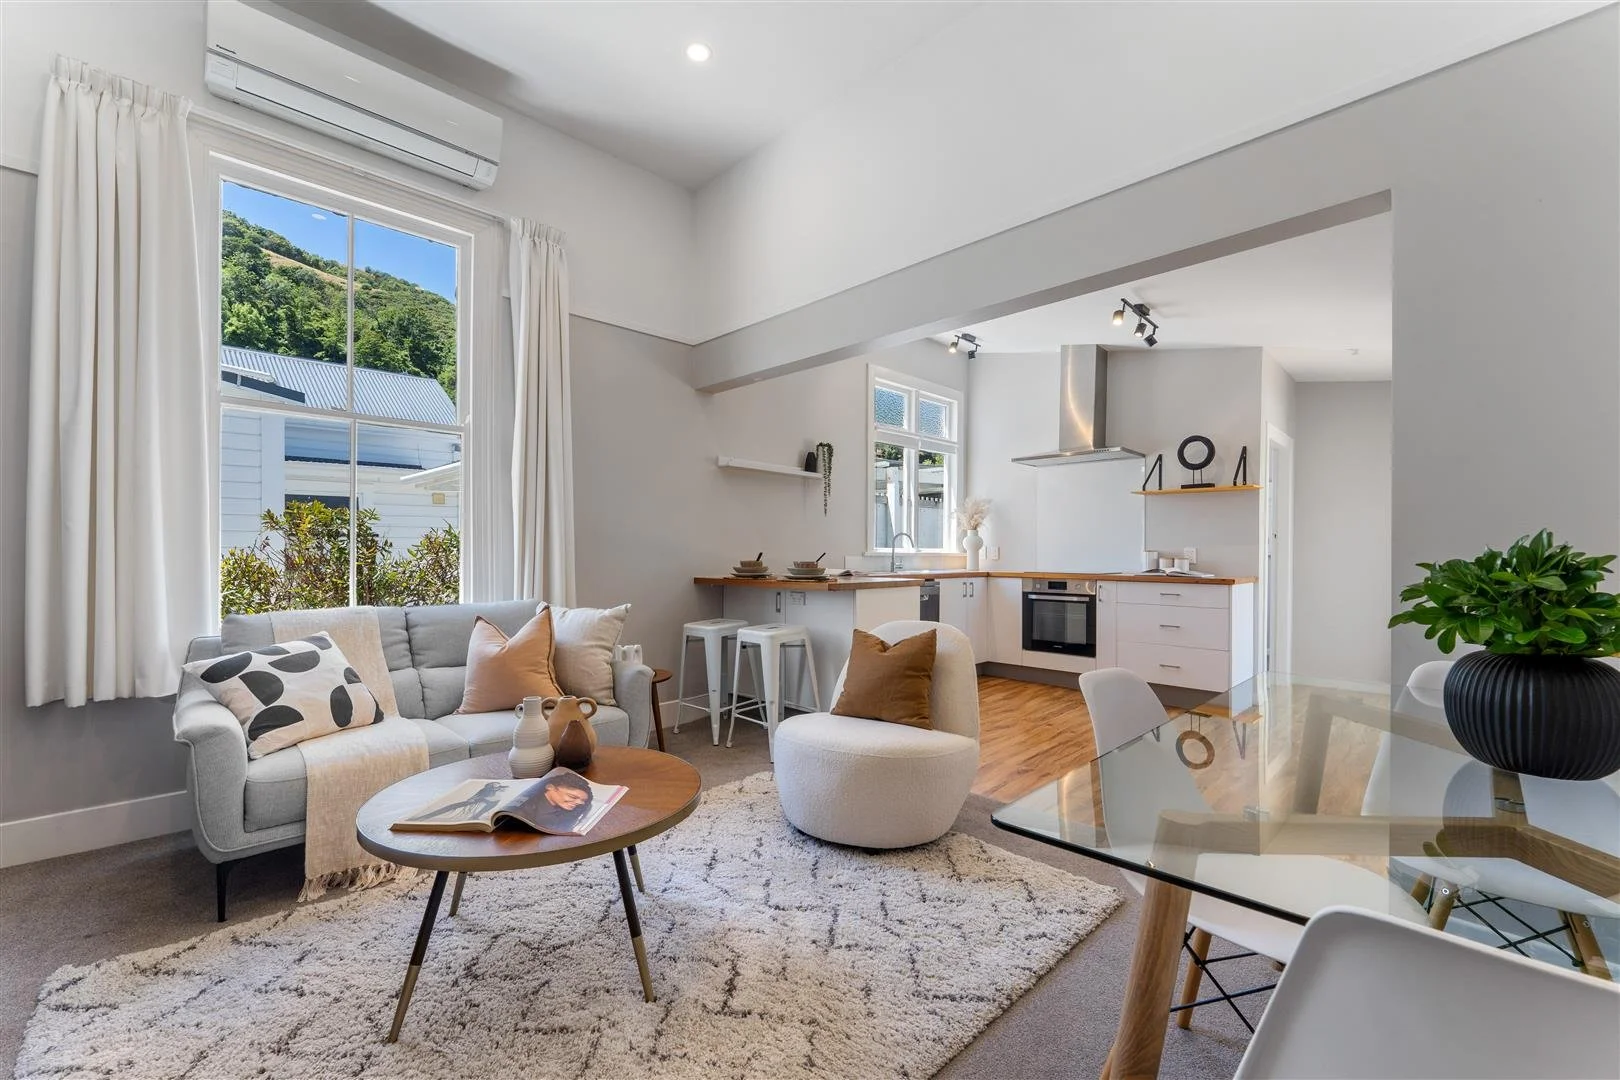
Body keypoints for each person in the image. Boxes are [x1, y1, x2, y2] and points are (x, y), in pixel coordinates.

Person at [521, 770, 595, 833]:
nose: (579, 803)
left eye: (583, 800)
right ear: (550, 787)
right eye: (573, 797)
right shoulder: (525, 809)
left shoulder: (571, 812)